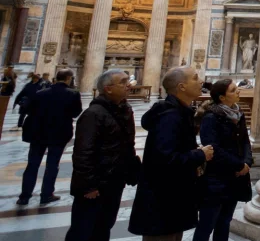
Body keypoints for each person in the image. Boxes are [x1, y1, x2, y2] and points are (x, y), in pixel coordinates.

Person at [129, 67, 214, 241]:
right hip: (163, 201)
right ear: (181, 87)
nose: (201, 82)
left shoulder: (180, 112)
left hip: (174, 197)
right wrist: (200, 155)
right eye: (196, 78)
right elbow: (165, 160)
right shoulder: (170, 117)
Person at [66, 70, 141, 241]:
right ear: (108, 89)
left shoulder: (123, 110)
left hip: (114, 181)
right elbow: (83, 153)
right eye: (123, 82)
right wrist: (88, 186)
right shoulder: (94, 114)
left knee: (104, 227)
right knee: (83, 230)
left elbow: (126, 145)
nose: (128, 84)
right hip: (96, 185)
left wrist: (131, 170)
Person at [193, 80, 252, 241]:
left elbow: (245, 141)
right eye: (233, 90)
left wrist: (247, 161)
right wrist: (239, 164)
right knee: (207, 224)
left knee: (225, 221)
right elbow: (212, 147)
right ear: (222, 97)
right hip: (216, 178)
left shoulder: (238, 114)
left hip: (235, 177)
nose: (238, 91)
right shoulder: (211, 117)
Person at [18, 69, 82, 205]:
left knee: (32, 164)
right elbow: (76, 113)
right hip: (59, 133)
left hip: (38, 133)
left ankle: (24, 196)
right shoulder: (73, 94)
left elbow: (29, 110)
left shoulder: (41, 93)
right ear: (69, 78)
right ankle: (46, 194)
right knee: (52, 164)